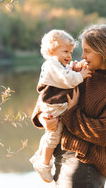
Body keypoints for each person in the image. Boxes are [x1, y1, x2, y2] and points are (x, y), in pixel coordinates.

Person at [31, 24, 106, 188]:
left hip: (83, 165)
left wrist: (70, 113)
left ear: (104, 52)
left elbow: (103, 133)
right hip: (59, 157)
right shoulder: (78, 75)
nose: (83, 56)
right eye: (83, 50)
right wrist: (44, 119)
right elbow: (45, 101)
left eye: (88, 51)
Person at [30, 29, 92, 183]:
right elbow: (65, 80)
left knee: (51, 134)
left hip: (55, 106)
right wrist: (80, 75)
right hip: (53, 107)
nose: (69, 56)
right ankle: (44, 164)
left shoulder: (56, 65)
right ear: (52, 50)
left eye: (70, 52)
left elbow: (65, 75)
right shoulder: (51, 65)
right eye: (65, 51)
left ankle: (41, 156)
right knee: (54, 134)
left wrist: (73, 69)